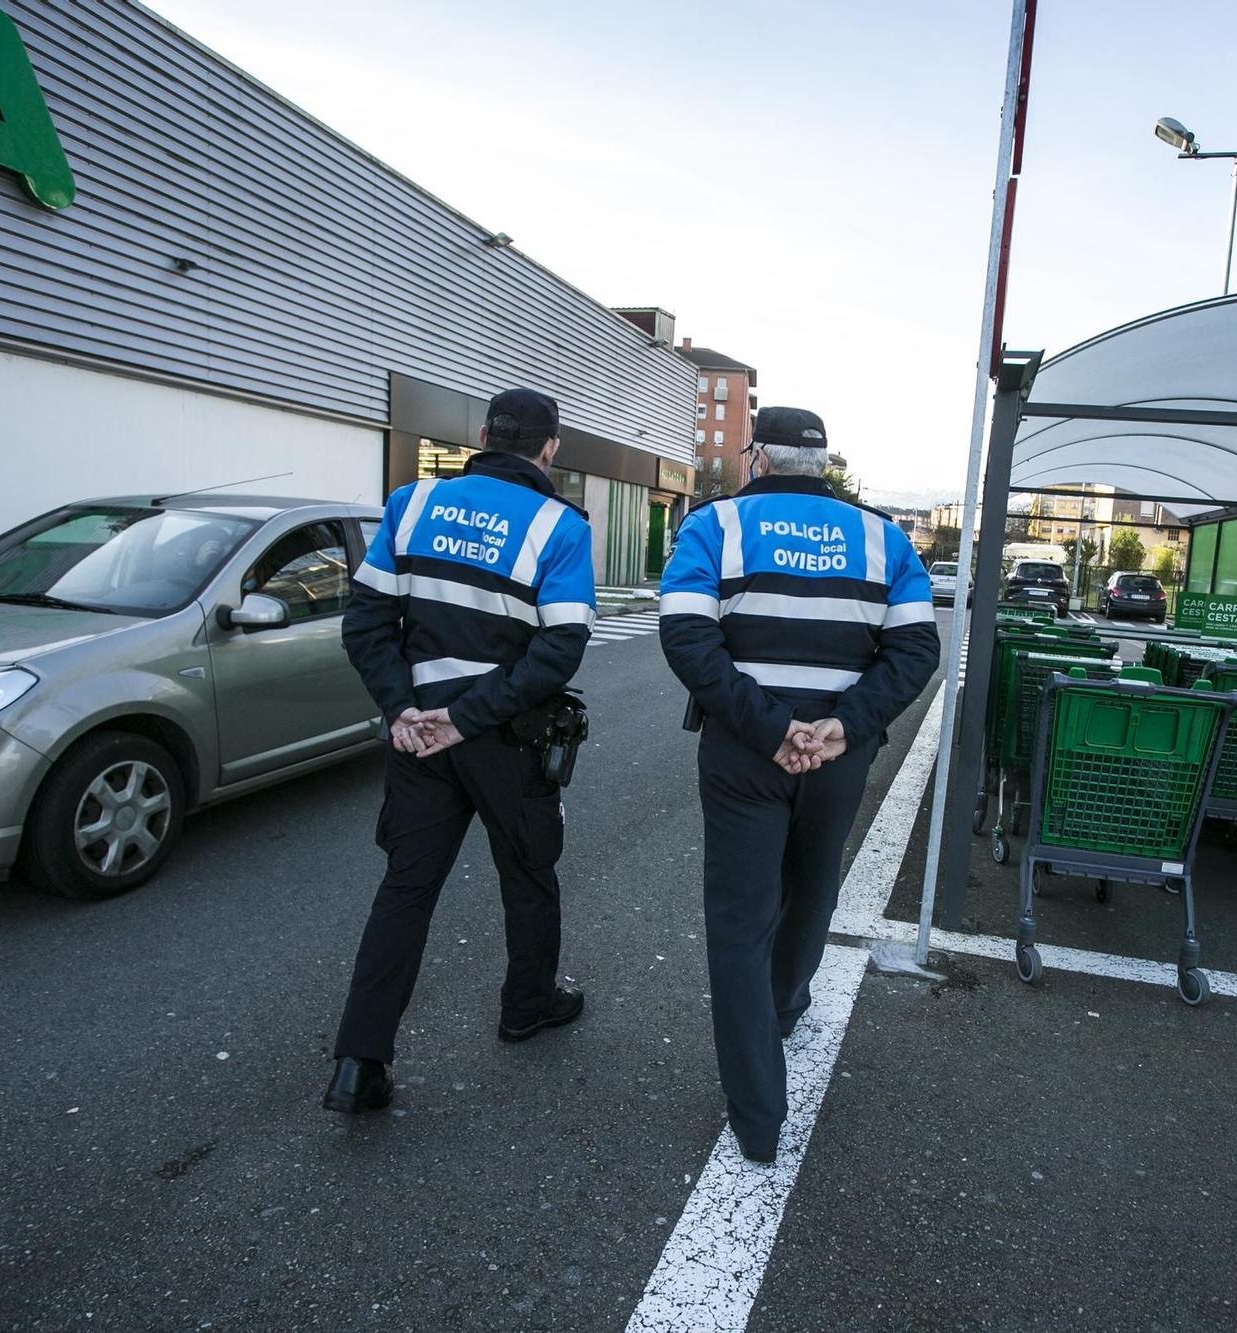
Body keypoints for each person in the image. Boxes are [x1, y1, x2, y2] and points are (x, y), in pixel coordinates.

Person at [658, 406, 938, 1162]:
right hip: (839, 752)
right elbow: (916, 648)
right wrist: (843, 725)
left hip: (747, 752)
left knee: (739, 920)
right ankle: (786, 1004)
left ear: (756, 457)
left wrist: (768, 725)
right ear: (825, 464)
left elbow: (687, 633)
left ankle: (758, 1116)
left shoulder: (717, 524)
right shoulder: (883, 534)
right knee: (813, 883)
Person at [323, 388, 595, 1116]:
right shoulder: (559, 525)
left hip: (418, 741)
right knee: (529, 873)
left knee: (406, 889)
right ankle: (525, 1006)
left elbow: (366, 622)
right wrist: (467, 716)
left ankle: (359, 1061)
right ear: (550, 447)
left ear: (481, 436)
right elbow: (560, 646)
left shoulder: (412, 503)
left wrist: (405, 708)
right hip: (507, 738)